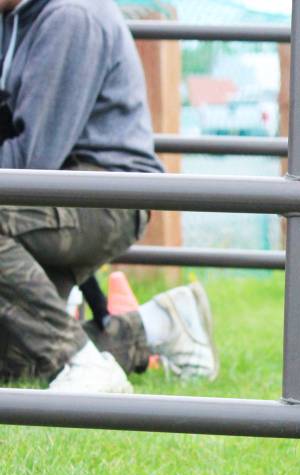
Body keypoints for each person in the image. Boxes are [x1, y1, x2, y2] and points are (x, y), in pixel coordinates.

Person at [0, 0, 217, 393]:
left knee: (41, 346)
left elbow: (31, 162)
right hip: (55, 193)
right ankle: (158, 324)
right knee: (10, 354)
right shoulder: (16, 19)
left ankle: (77, 362)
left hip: (106, 194)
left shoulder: (70, 17)